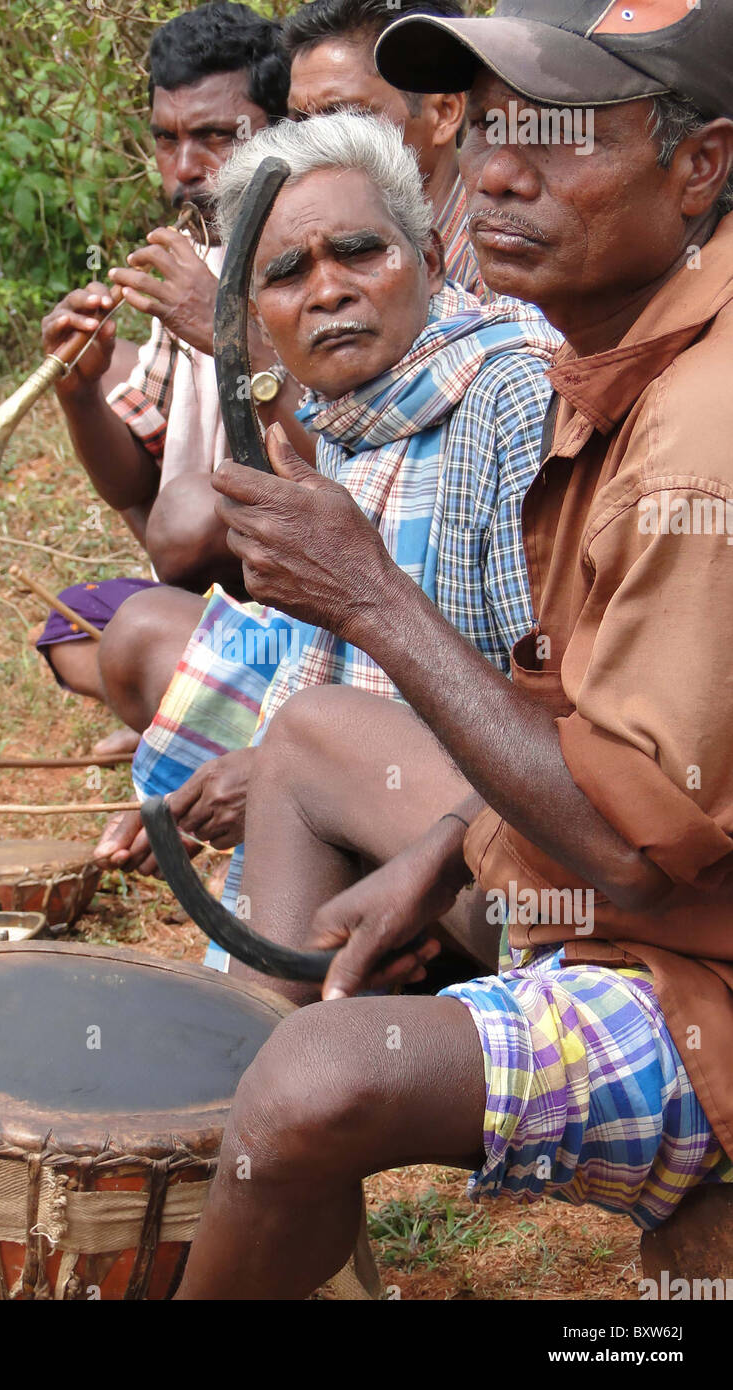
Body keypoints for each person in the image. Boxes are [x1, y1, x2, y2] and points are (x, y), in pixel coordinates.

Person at [169, 0, 733, 1299]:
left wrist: (365, 595)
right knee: (308, 751)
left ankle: (263, 1117)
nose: (496, 173)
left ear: (697, 164)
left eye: (555, 134)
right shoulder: (623, 368)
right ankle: (248, 1143)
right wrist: (439, 858)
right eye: (481, 132)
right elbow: (588, 720)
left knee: (317, 1078)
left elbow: (625, 838)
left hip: (690, 964)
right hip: (641, 886)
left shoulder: (688, 433)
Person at [93, 110, 560, 943]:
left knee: (313, 739)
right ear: (252, 315)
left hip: (539, 867)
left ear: (430, 258)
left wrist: (295, 771)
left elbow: (559, 734)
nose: (327, 291)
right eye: (285, 273)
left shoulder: (509, 399)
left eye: (358, 252)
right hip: (429, 823)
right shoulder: (351, 420)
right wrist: (270, 775)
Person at [32, 2, 302, 732]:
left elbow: (345, 439)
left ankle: (195, 709)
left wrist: (223, 327)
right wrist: (81, 396)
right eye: (166, 140)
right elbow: (133, 488)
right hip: (212, 590)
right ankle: (190, 702)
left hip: (312, 595)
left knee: (165, 565)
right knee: (69, 627)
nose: (184, 169)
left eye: (216, 137)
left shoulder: (328, 252)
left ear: (282, 130)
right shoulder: (197, 257)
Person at [283, 0, 485, 295]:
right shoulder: (301, 250)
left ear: (443, 113)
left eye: (344, 116)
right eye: (300, 121)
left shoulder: (497, 262)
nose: (313, 142)